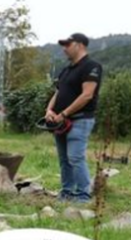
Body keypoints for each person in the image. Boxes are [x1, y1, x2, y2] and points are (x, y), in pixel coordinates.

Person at [45, 33, 102, 203]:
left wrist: (64, 114)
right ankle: (67, 192)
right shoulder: (67, 70)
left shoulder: (92, 66)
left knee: (75, 157)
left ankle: (83, 195)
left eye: (67, 45)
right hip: (60, 122)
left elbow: (87, 95)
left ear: (79, 45)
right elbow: (58, 92)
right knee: (64, 159)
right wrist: (49, 110)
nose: (64, 48)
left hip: (80, 120)